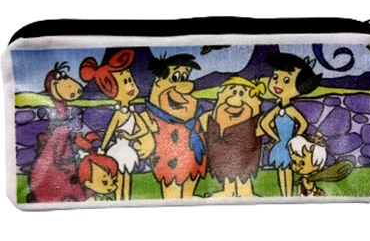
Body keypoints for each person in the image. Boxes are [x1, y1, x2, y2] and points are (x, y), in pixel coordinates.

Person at [80, 49, 153, 201]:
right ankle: (119, 200)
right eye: (125, 81)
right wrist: (102, 149)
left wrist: (130, 136)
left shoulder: (132, 112)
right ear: (111, 89)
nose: (131, 85)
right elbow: (109, 132)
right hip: (117, 151)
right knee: (118, 179)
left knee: (127, 178)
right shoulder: (119, 114)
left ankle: (126, 200)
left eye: (130, 80)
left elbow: (144, 129)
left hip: (128, 150)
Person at [137, 53, 206, 200]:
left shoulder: (192, 115)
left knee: (189, 191)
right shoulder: (151, 116)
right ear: (158, 82)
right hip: (169, 159)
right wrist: (146, 138)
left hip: (193, 156)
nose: (186, 86)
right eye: (175, 78)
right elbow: (141, 126)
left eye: (185, 77)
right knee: (172, 193)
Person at [260, 53, 322, 197]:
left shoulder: (290, 109)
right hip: (281, 145)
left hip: (289, 145)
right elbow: (264, 123)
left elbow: (303, 124)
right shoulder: (278, 109)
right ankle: (284, 195)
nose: (278, 83)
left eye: (286, 80)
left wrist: (296, 140)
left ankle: (288, 196)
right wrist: (276, 138)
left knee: (288, 171)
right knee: (281, 170)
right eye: (275, 77)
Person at [27, 62, 85, 203]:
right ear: (54, 86)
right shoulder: (60, 123)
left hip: (61, 141)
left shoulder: (62, 111)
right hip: (59, 144)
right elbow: (58, 149)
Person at [201, 77, 265, 198]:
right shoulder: (213, 118)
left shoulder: (254, 122)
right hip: (223, 153)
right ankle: (228, 190)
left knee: (243, 176)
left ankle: (245, 191)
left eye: (241, 93)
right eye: (233, 92)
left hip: (245, 154)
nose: (236, 99)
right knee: (227, 173)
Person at [75, 133, 118, 201]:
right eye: (104, 182)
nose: (111, 186)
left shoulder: (114, 197)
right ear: (88, 183)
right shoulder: (90, 199)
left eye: (114, 182)